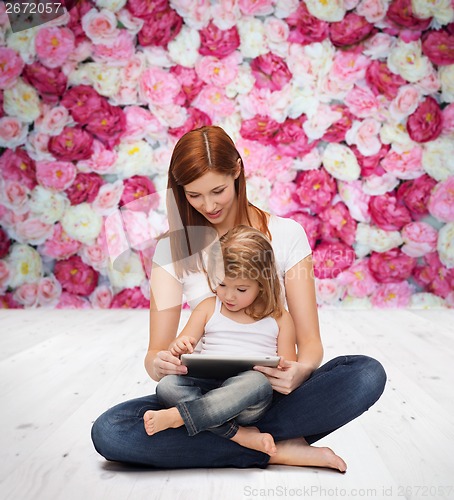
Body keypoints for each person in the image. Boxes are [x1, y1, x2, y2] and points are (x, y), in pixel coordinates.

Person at [91, 125, 386, 470]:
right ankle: (272, 445)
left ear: (237, 172)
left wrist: (300, 371)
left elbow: (309, 343)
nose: (209, 205)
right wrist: (160, 363)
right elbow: (155, 354)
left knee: (366, 373)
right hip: (198, 390)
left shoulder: (287, 234)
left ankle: (228, 436)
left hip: (267, 391)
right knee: (110, 431)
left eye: (217, 190)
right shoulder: (171, 250)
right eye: (194, 195)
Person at [144, 225, 331, 462]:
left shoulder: (279, 318)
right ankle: (240, 436)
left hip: (248, 402)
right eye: (221, 284)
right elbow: (180, 347)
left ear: (261, 284)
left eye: (241, 289)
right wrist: (179, 347)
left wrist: (286, 372)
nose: (229, 296)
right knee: (167, 386)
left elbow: (287, 370)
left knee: (256, 382)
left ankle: (179, 417)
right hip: (206, 389)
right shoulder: (208, 308)